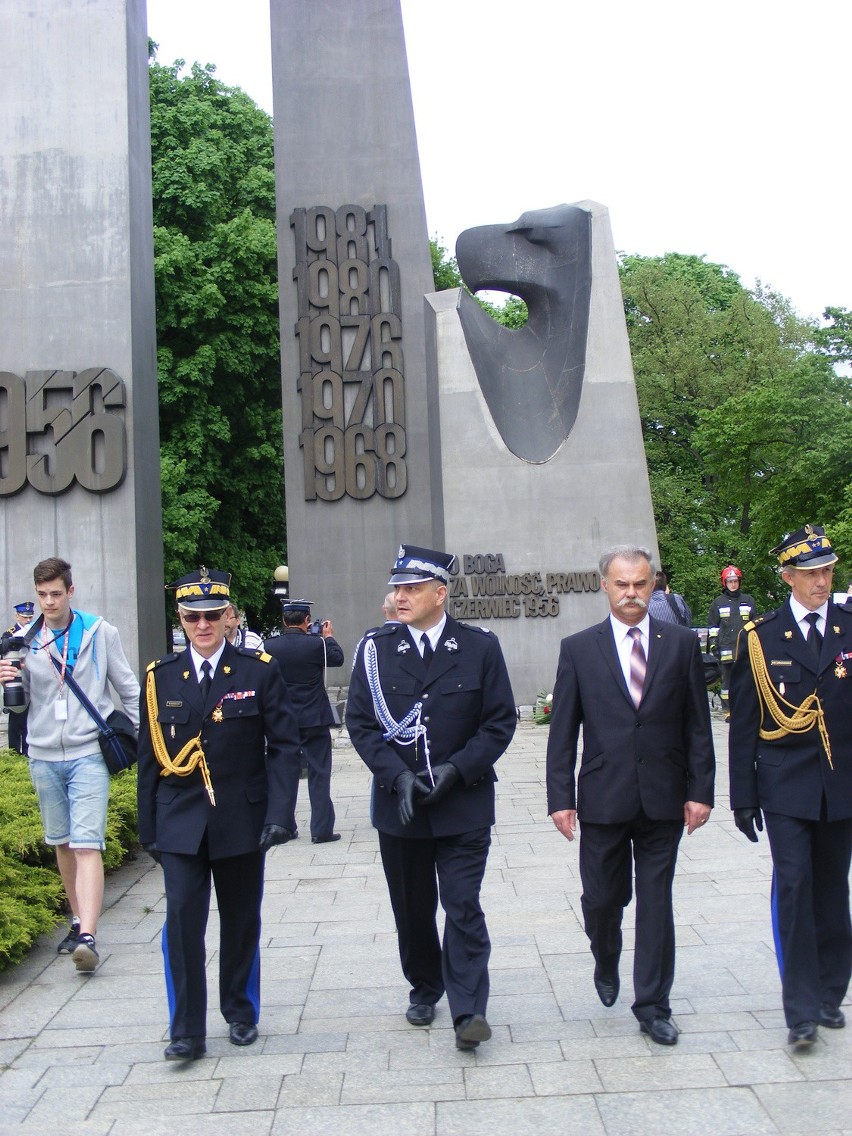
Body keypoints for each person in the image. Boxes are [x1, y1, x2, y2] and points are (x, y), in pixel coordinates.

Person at [346, 543, 516, 1050]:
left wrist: (457, 768)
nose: (399, 596)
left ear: (440, 594)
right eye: (397, 587)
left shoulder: (480, 647)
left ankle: (469, 1011)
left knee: (462, 904)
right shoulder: (375, 649)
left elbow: (499, 721)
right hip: (401, 806)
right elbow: (360, 723)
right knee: (412, 907)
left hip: (462, 802)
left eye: (411, 588)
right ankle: (424, 984)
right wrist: (396, 777)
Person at [546, 545, 714, 1046]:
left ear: (653, 584)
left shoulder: (681, 643)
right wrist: (560, 796)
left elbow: (697, 726)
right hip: (603, 795)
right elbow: (563, 731)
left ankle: (654, 1004)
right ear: (604, 585)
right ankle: (605, 952)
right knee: (602, 900)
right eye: (622, 584)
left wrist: (701, 791)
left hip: (664, 795)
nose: (632, 594)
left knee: (656, 900)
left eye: (641, 584)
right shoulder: (579, 648)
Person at [137, 567, 302, 1062]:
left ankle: (241, 1010)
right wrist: (149, 830)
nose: (203, 626)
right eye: (192, 617)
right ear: (181, 619)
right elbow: (149, 761)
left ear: (229, 617)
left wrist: (280, 814)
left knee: (240, 920)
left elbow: (285, 746)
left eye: (212, 616)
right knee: (182, 923)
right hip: (180, 821)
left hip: (242, 819)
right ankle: (185, 1029)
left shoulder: (258, 670)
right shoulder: (160, 677)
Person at [728, 524, 852, 1049]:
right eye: (810, 574)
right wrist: (742, 796)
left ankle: (830, 991)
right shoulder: (761, 637)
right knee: (795, 887)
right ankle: (799, 1010)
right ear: (787, 576)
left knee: (832, 889)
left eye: (826, 571)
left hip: (842, 782)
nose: (821, 582)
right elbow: (743, 724)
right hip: (785, 788)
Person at [0, 558, 140, 972]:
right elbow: (20, 704)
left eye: (55, 594)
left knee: (86, 842)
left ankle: (89, 937)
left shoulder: (98, 632)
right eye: (42, 595)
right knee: (60, 840)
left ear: (70, 591)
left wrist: (145, 740)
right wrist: (7, 677)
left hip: (87, 753)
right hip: (43, 754)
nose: (48, 602)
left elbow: (128, 689)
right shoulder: (21, 640)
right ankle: (77, 918)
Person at [262, 599, 344, 843]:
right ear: (307, 621)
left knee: (283, 774)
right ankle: (321, 830)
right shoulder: (316, 644)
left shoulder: (270, 646)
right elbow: (337, 658)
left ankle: (284, 825)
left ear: (284, 621)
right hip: (314, 717)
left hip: (283, 719)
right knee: (319, 772)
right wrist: (328, 636)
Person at [707, 565, 757, 720]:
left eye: (735, 581)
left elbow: (755, 624)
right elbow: (713, 627)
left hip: (745, 649)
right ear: (725, 583)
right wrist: (714, 645)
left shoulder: (748, 601)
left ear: (739, 582)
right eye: (730, 581)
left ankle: (746, 708)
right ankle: (729, 710)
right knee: (727, 683)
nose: (733, 584)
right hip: (725, 649)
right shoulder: (718, 603)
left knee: (746, 680)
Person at [2, 600, 35, 754]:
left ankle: (28, 753)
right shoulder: (10, 634)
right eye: (24, 617)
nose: (28, 620)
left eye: (30, 617)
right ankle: (14, 753)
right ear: (17, 616)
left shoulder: (36, 632)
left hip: (33, 679)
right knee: (16, 720)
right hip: (17, 680)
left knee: (29, 722)